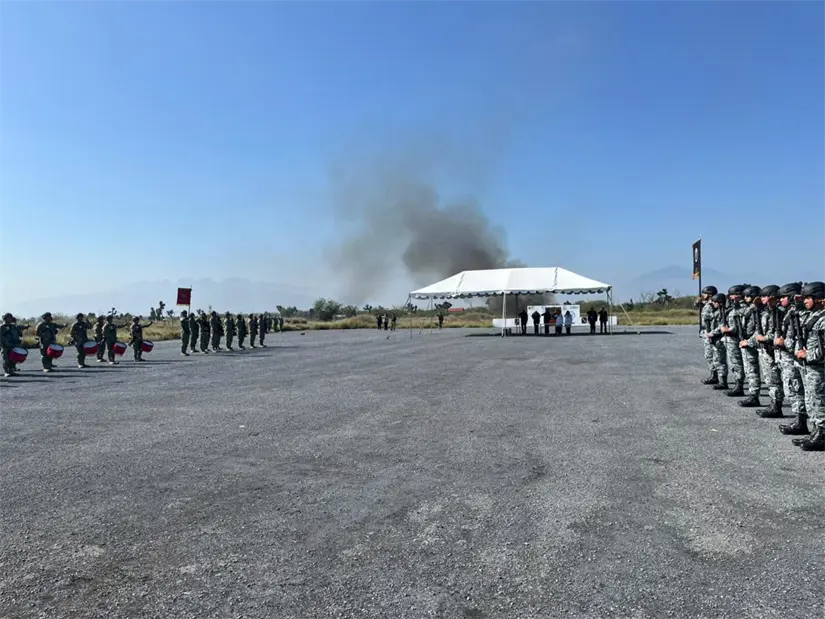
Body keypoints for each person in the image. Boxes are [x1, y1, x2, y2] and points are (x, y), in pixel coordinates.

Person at [791, 281, 825, 451]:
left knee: (820, 400)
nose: (804, 301)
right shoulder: (814, 316)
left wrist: (808, 355)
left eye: (808, 298)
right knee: (812, 399)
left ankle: (822, 435)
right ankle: (816, 431)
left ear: (819, 299)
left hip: (819, 367)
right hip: (809, 367)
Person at [752, 285, 784, 417]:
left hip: (772, 350)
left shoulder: (778, 312)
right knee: (769, 379)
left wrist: (764, 338)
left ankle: (776, 406)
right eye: (762, 296)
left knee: (774, 379)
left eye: (765, 296)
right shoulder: (766, 312)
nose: (763, 298)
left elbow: (776, 332)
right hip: (765, 349)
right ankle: (773, 403)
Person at [737, 286, 763, 407]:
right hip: (747, 341)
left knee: (753, 370)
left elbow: (758, 329)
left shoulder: (757, 311)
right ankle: (753, 395)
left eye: (748, 296)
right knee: (750, 370)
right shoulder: (750, 309)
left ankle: (754, 396)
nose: (745, 298)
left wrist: (749, 342)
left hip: (753, 343)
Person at [720, 285, 746, 397]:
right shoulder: (734, 307)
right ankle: (737, 384)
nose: (731, 297)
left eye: (733, 295)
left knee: (737, 363)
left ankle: (739, 386)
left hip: (735, 339)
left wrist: (728, 330)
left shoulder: (742, 308)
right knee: (734, 363)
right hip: (730, 339)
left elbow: (739, 326)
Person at [706, 293, 730, 391]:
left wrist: (712, 333)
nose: (713, 304)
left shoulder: (723, 312)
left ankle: (723, 382)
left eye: (715, 302)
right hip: (715, 339)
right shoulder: (717, 311)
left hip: (720, 338)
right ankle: (720, 380)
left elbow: (722, 326)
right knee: (717, 360)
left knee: (721, 360)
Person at [697, 285, 719, 384]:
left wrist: (710, 333)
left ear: (709, 294)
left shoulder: (711, 305)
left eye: (704, 293)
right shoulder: (708, 304)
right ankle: (714, 374)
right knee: (709, 355)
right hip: (706, 332)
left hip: (710, 332)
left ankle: (715, 375)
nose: (703, 295)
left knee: (710, 355)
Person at [0, 313, 21, 377]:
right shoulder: (2, 327)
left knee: (13, 358)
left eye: (11, 317)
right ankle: (6, 372)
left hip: (13, 344)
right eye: (9, 317)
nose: (11, 318)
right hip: (5, 345)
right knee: (6, 359)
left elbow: (17, 333)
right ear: (5, 318)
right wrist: (5, 342)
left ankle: (11, 371)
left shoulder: (13, 326)